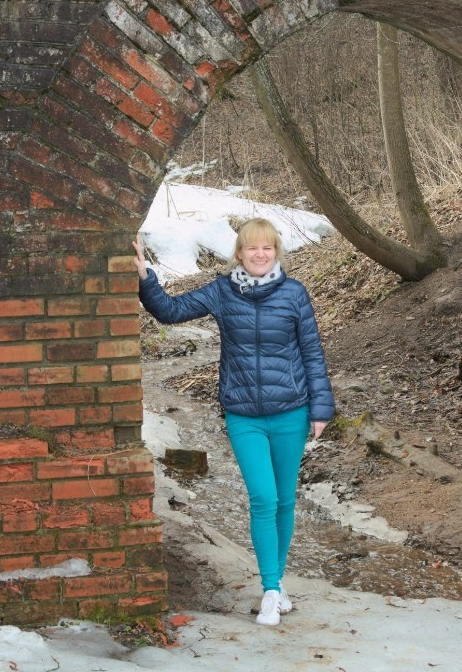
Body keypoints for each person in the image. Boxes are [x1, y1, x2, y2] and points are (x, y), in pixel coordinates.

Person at [133, 217, 334, 626]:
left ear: (276, 252)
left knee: (285, 500)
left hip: (291, 411)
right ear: (239, 253)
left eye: (267, 247)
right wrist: (144, 276)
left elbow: (312, 353)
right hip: (244, 415)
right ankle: (271, 590)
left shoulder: (294, 293)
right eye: (252, 247)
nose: (260, 254)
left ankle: (277, 581)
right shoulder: (222, 291)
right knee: (263, 498)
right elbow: (170, 311)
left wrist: (321, 409)